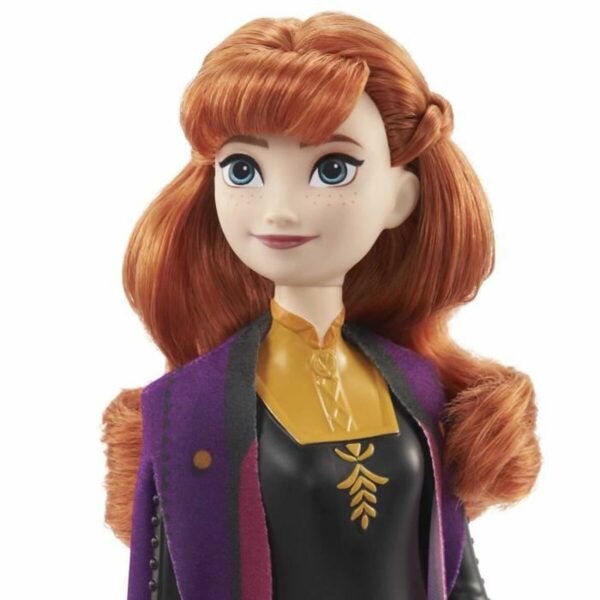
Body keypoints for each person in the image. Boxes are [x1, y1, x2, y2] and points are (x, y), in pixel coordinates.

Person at [102, 11, 542, 600]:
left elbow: (454, 568)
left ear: (400, 196)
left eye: (332, 169)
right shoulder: (187, 410)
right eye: (243, 169)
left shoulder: (422, 388)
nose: (280, 209)